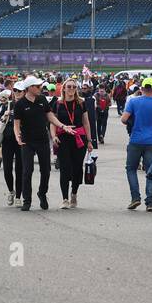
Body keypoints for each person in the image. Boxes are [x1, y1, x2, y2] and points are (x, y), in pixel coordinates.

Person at [13, 76, 76, 211]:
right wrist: (17, 136)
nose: (40, 88)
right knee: (27, 171)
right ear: (29, 88)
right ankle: (27, 200)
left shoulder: (42, 100)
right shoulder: (20, 104)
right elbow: (16, 124)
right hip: (27, 141)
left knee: (46, 170)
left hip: (42, 139)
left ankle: (42, 193)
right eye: (37, 86)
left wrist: (63, 126)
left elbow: (50, 116)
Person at [121, 76, 152, 211]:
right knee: (151, 172)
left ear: (141, 89)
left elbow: (123, 119)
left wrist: (133, 122)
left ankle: (135, 198)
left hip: (136, 139)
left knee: (131, 169)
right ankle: (150, 203)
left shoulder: (133, 102)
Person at [53, 79, 93, 209]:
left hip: (79, 138)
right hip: (63, 138)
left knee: (77, 169)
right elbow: (52, 121)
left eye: (74, 87)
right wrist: (53, 136)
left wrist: (89, 140)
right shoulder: (57, 103)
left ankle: (74, 193)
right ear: (63, 88)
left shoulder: (81, 103)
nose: (71, 89)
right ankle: (65, 198)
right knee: (64, 168)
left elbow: (86, 122)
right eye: (69, 86)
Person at [0, 86, 23, 206]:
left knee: (20, 169)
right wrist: (4, 116)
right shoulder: (8, 104)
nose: (17, 92)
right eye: (15, 90)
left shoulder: (27, 104)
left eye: (20, 91)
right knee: (7, 168)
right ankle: (11, 191)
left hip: (21, 141)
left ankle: (18, 196)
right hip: (7, 140)